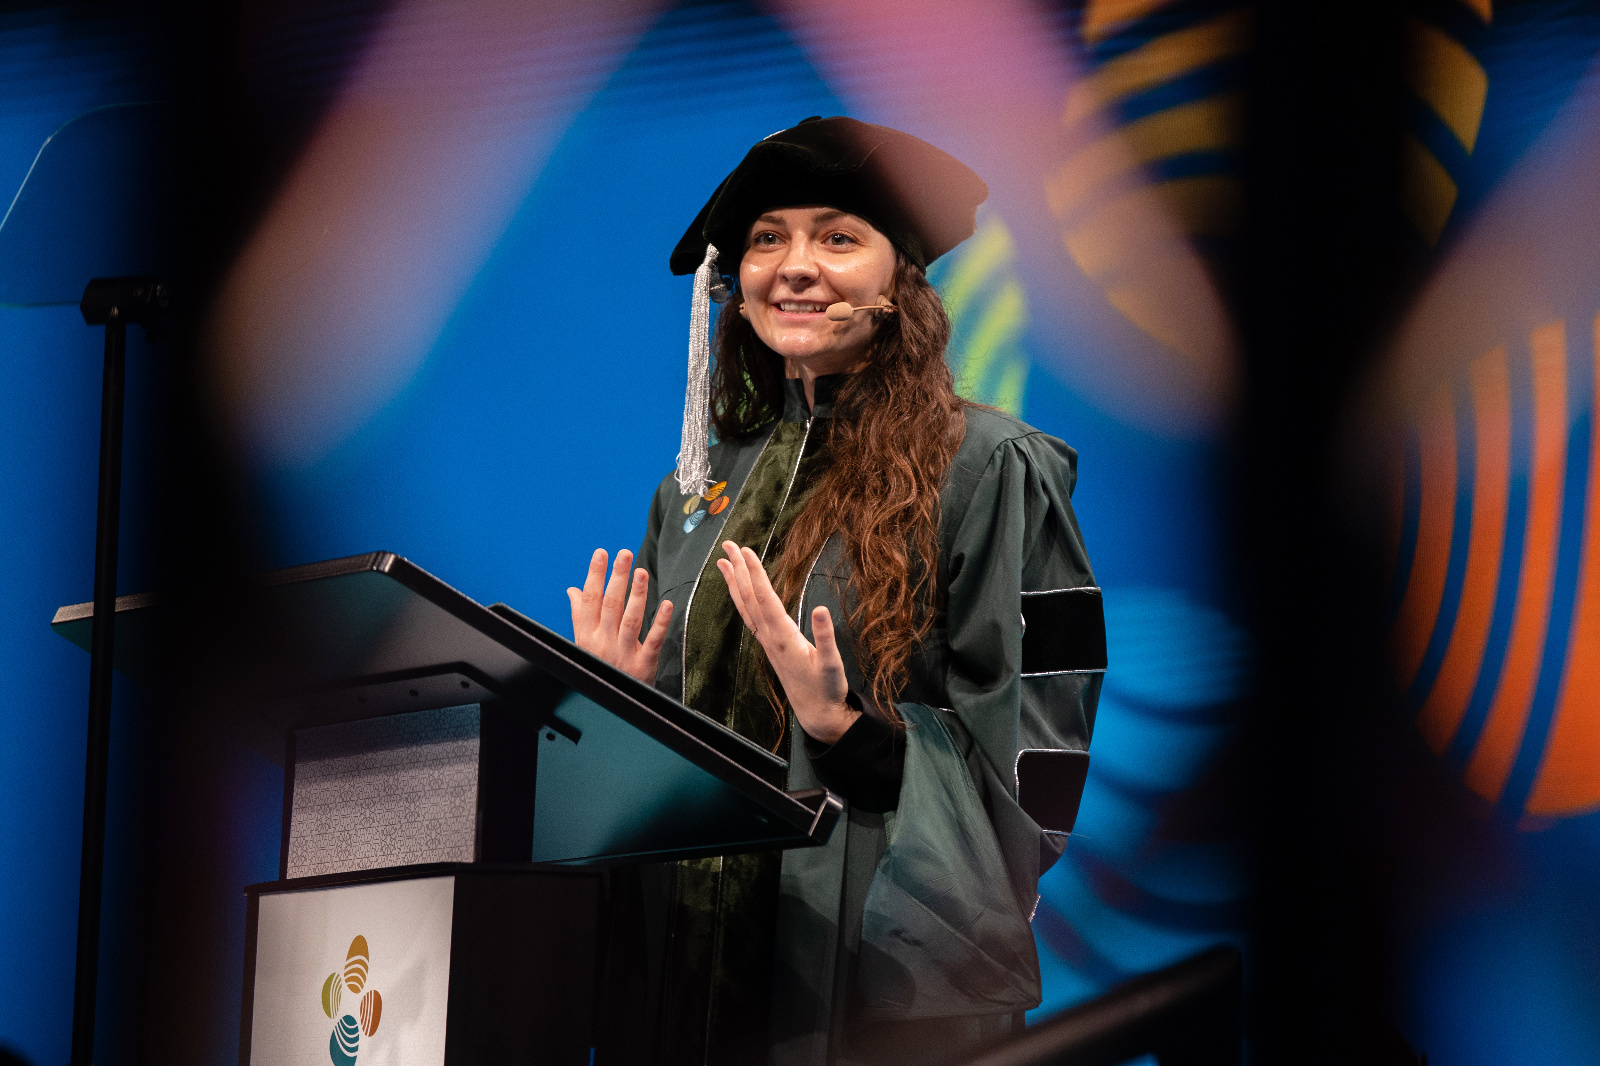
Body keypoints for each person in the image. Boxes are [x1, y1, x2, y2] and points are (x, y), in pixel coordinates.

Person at [568, 116, 1104, 1066]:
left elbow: (1035, 765)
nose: (795, 267)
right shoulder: (693, 493)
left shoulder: (989, 468)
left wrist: (848, 735)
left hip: (866, 978)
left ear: (900, 284)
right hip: (690, 979)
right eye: (767, 239)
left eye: (839, 238)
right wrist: (621, 706)